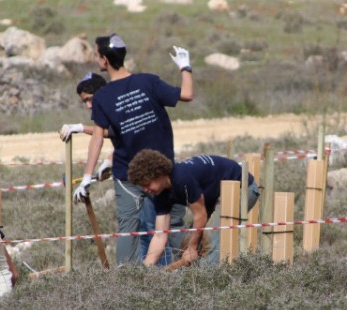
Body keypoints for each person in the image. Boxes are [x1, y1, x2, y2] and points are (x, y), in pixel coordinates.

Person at [72, 33, 193, 265]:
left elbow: (97, 138)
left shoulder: (103, 97)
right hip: (162, 171)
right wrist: (185, 67)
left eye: (97, 55)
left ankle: (127, 280)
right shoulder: (149, 81)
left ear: (104, 60)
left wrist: (87, 176)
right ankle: (183, 270)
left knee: (130, 228)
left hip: (127, 175)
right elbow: (187, 94)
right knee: (168, 224)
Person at [128, 149, 260, 266]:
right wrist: (144, 270)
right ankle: (193, 278)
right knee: (188, 242)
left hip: (244, 187)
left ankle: (209, 283)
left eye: (147, 184)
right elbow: (159, 236)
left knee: (209, 236)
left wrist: (192, 248)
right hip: (216, 197)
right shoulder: (161, 195)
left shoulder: (182, 179)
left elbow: (200, 215)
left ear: (159, 174)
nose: (145, 190)